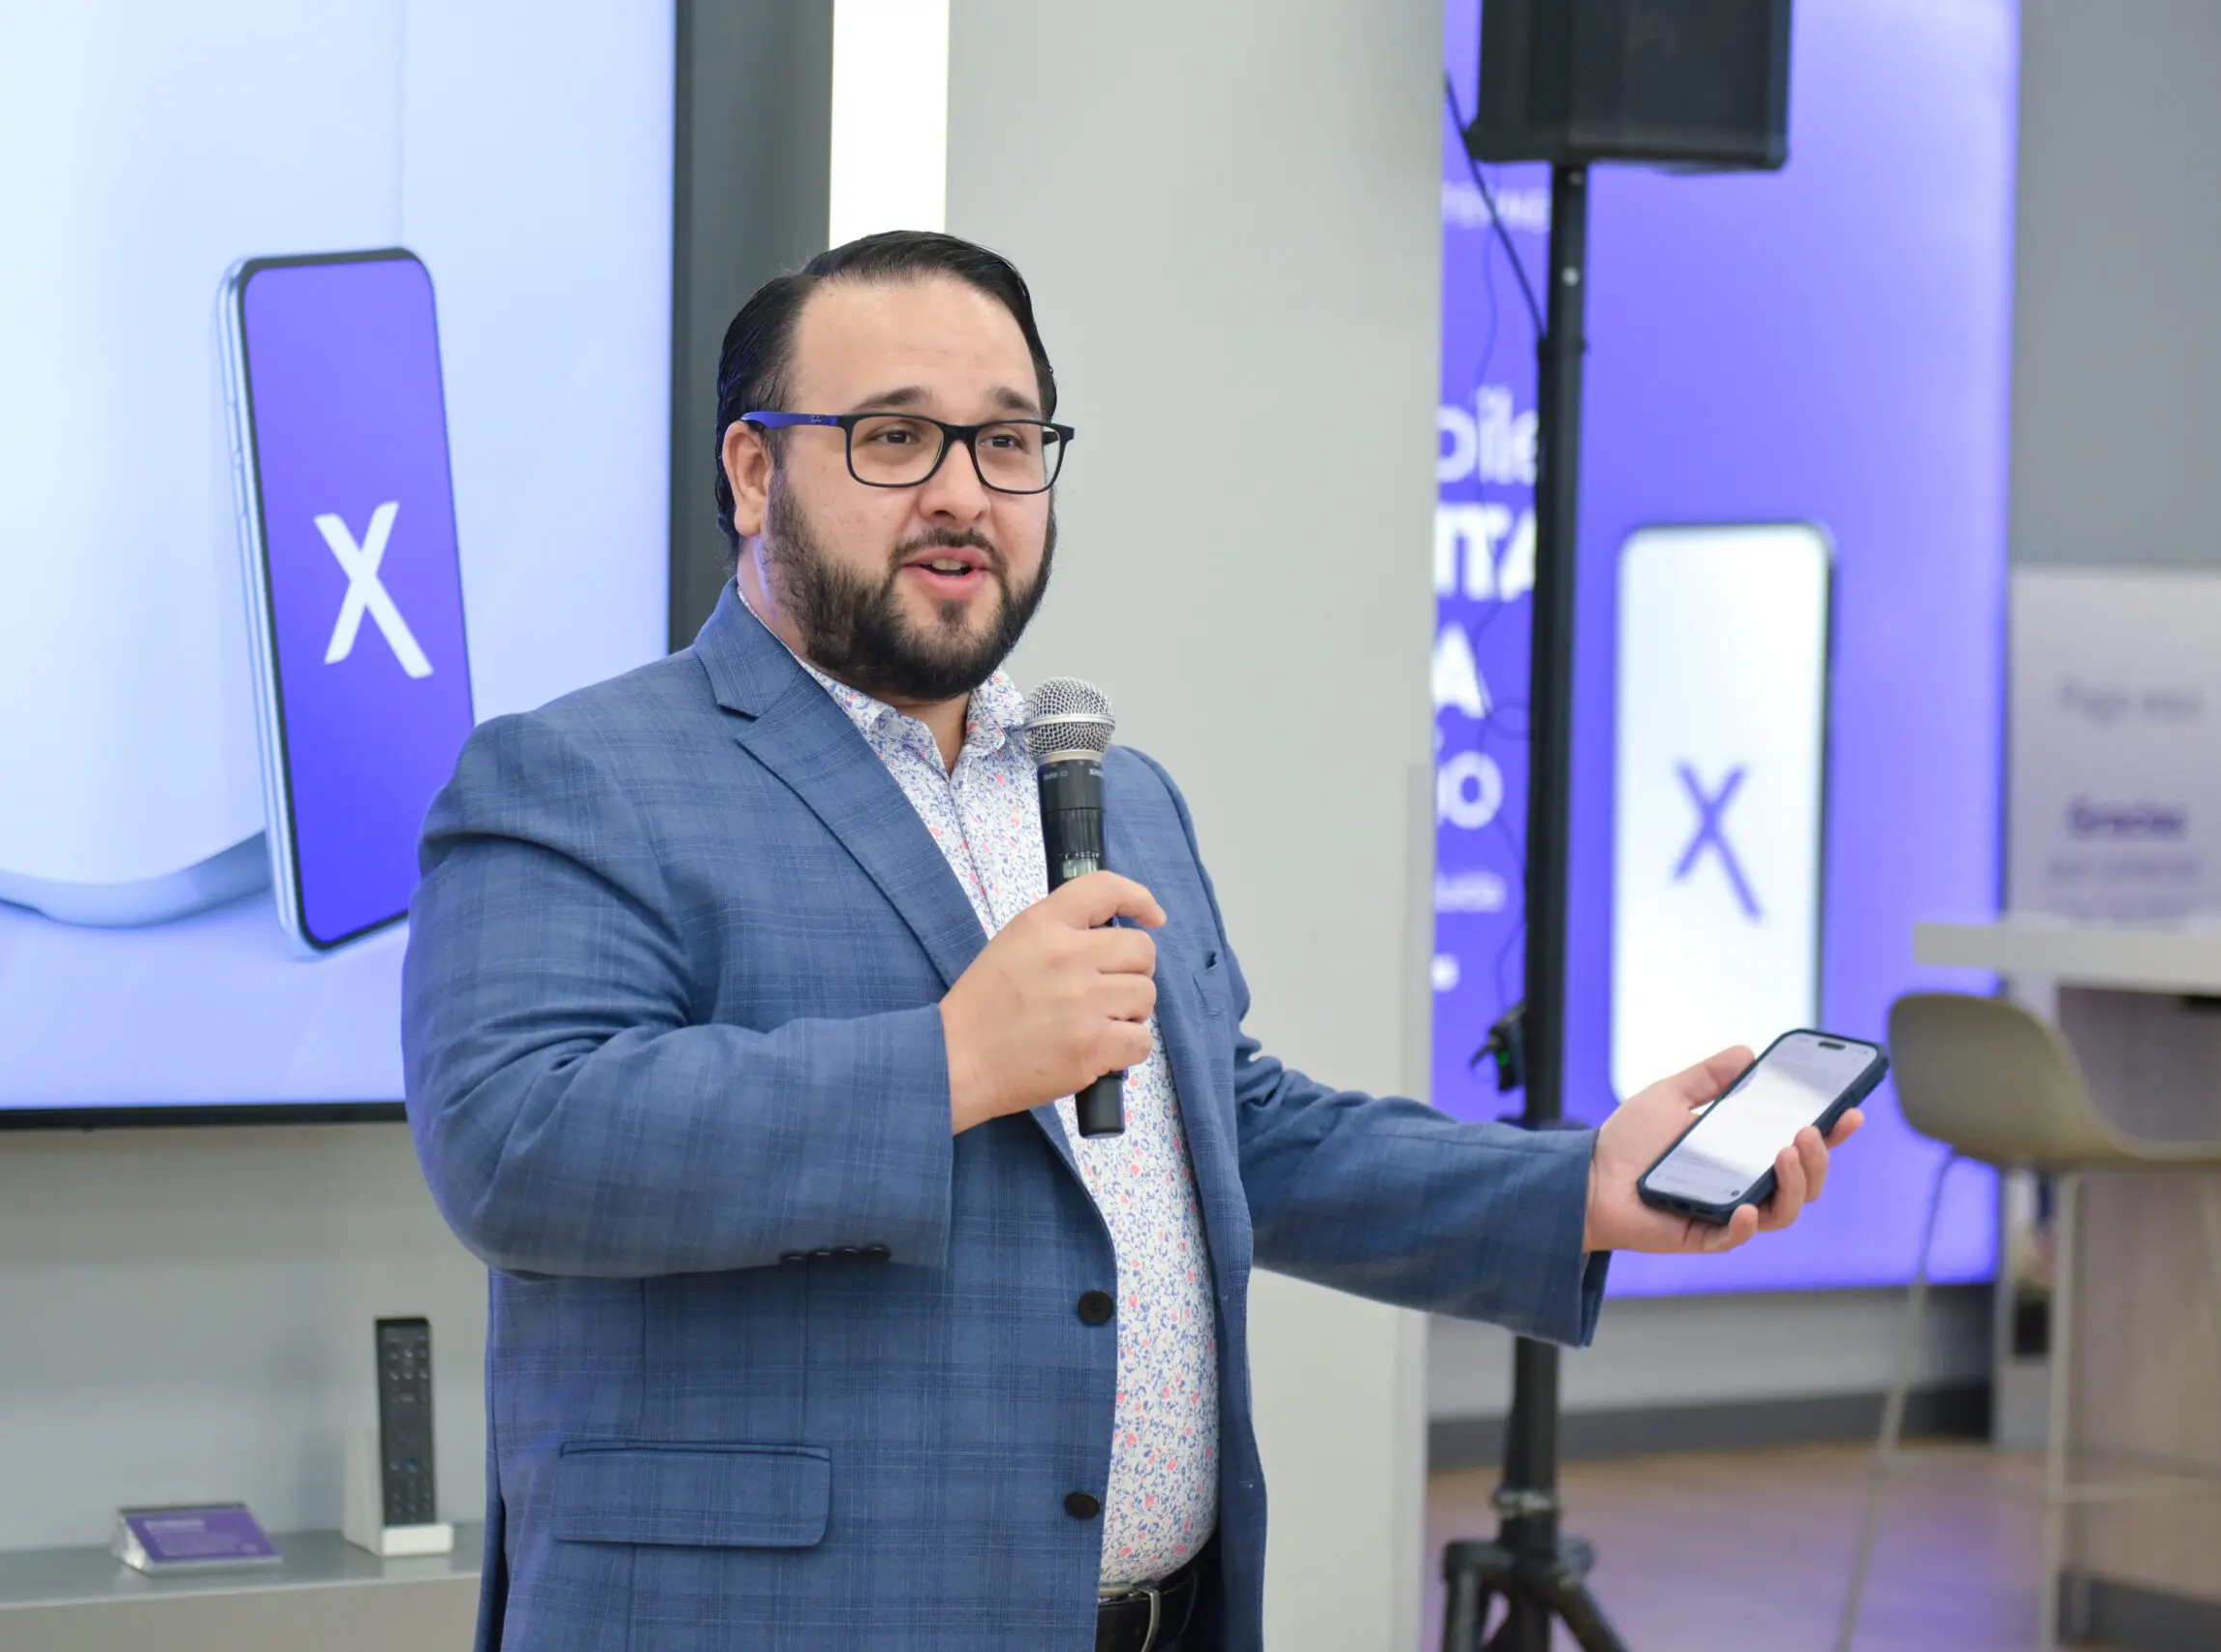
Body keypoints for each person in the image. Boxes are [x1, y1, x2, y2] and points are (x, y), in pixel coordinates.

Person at [401, 231, 1860, 1652]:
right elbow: (516, 1143)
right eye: (894, 440)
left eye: (1007, 442)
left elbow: (1241, 1132)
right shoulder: (582, 774)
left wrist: (1578, 1187)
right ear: (751, 472)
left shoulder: (1107, 786)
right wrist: (954, 1062)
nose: (963, 493)